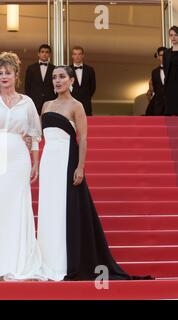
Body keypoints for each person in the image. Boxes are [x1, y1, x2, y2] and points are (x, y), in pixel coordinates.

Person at [38, 66, 152, 281]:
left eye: (62, 77)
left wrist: (80, 166)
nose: (57, 81)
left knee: (66, 210)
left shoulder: (76, 106)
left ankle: (65, 262)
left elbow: (83, 139)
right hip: (48, 163)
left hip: (66, 161)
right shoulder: (45, 105)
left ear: (71, 80)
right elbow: (39, 133)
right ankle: (47, 262)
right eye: (54, 77)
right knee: (49, 210)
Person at [0, 52, 44, 281]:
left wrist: (35, 162)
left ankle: (15, 264)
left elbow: (35, 133)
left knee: (17, 211)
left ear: (16, 75)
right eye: (0, 73)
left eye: (8, 72)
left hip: (19, 162)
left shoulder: (27, 102)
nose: (4, 76)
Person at [24, 44, 56, 114]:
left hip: (50, 102)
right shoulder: (31, 68)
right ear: (38, 54)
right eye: (42, 52)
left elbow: (56, 86)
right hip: (34, 102)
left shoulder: (54, 69)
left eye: (47, 52)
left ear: (50, 54)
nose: (44, 54)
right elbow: (27, 86)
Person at [69, 46, 96, 116]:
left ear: (83, 55)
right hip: (71, 103)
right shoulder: (67, 69)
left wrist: (86, 96)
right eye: (75, 54)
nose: (77, 56)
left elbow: (93, 87)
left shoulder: (90, 70)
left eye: (79, 54)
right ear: (72, 56)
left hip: (86, 103)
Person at [146, 47, 166, 116]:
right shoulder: (154, 72)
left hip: (172, 106)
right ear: (157, 56)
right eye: (161, 55)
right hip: (158, 108)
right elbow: (154, 90)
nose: (163, 57)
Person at [163, 26, 178, 116]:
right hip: (170, 84)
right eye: (171, 35)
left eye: (176, 35)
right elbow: (165, 69)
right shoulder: (167, 53)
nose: (173, 37)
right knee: (171, 112)